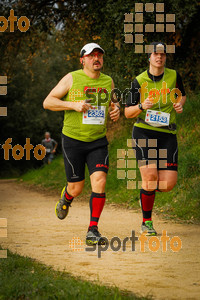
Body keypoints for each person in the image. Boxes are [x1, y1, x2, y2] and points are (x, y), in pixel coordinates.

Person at [43, 43, 120, 245]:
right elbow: (48, 101)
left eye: (99, 55)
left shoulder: (108, 81)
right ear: (82, 60)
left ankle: (92, 230)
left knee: (100, 181)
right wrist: (73, 105)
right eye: (92, 55)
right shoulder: (72, 78)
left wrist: (116, 109)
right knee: (76, 188)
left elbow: (113, 102)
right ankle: (67, 198)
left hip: (97, 141)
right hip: (73, 141)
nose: (97, 59)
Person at [125, 42, 186, 236]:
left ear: (165, 57)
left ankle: (146, 192)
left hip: (167, 133)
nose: (159, 57)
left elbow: (182, 95)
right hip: (144, 131)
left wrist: (179, 104)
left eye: (162, 54)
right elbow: (127, 112)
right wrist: (142, 106)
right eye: (155, 54)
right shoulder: (139, 80)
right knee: (150, 177)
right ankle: (147, 221)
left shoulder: (174, 75)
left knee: (167, 184)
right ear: (149, 58)